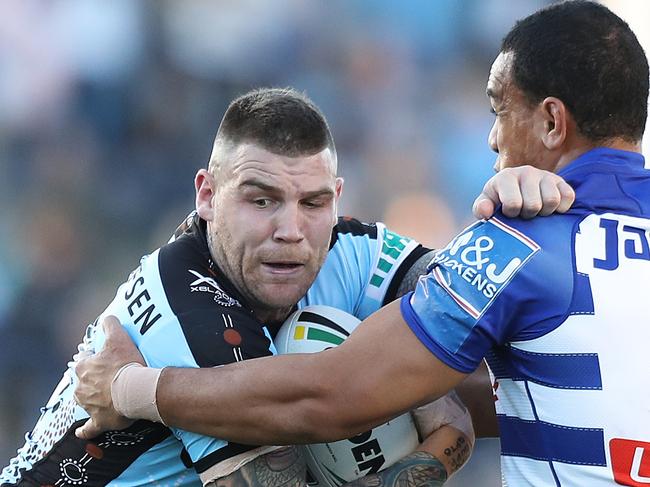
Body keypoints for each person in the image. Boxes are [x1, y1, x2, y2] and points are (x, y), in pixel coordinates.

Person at [74, 2, 650, 486]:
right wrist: (436, 424)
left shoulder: (512, 247)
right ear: (207, 195)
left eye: (500, 110)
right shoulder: (185, 289)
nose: (493, 136)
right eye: (261, 200)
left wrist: (129, 388)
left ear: (552, 122)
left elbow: (334, 393)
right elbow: (535, 381)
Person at [0, 87, 570, 487]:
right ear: (207, 196)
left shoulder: (352, 249)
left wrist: (522, 211)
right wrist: (441, 452)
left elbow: (487, 327)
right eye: (261, 200)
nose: (291, 231)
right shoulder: (188, 309)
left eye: (314, 202)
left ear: (337, 198)